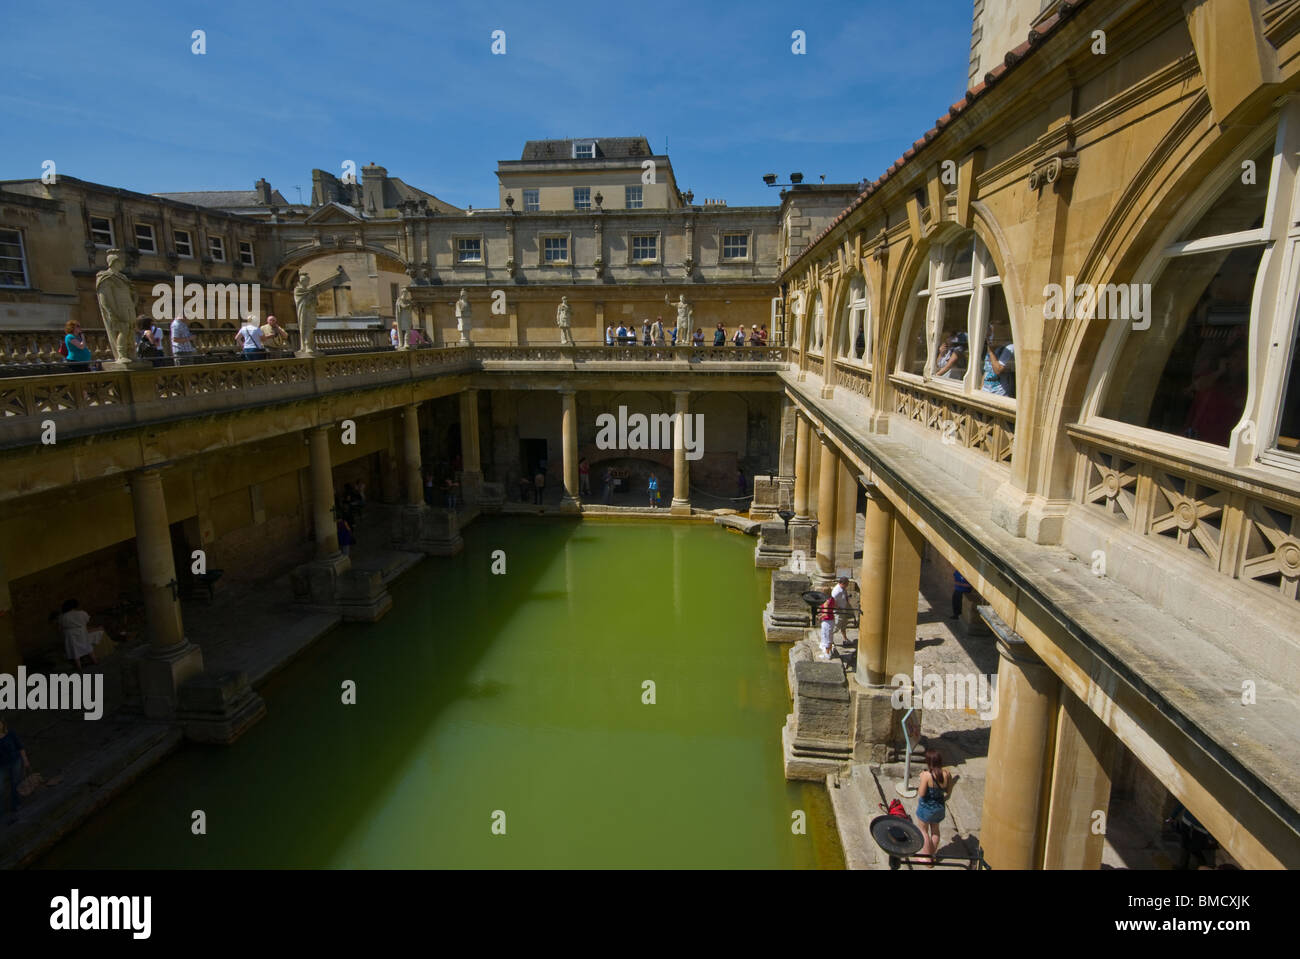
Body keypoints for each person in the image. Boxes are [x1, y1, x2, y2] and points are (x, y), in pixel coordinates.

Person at [915, 748, 957, 864]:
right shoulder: (947, 774)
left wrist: (921, 778)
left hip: (926, 808)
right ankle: (932, 854)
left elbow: (921, 793)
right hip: (939, 807)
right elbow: (948, 792)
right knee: (935, 831)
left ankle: (927, 858)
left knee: (923, 831)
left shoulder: (927, 776)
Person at [58, 598, 104, 670]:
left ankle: (79, 666)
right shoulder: (82, 613)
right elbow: (86, 621)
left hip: (70, 635)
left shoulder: (63, 616)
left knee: (75, 650)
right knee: (87, 646)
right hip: (81, 633)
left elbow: (61, 627)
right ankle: (95, 661)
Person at [0, 720, 31, 815]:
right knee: (0, 787)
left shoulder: (10, 733)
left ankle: (16, 805)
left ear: (2, 723)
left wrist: (25, 760)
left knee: (15, 783)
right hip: (1, 766)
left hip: (15, 761)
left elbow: (20, 747)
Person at [982, 328, 1014, 396]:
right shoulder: (992, 347)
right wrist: (981, 389)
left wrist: (991, 352)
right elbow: (986, 371)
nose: (988, 339)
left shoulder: (1009, 348)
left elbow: (998, 369)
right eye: (987, 336)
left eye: (990, 334)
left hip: (1000, 394)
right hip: (985, 391)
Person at [831, 575, 852, 645]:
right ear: (843, 583)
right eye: (847, 584)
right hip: (839, 611)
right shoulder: (836, 591)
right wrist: (838, 608)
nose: (847, 586)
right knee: (836, 627)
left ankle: (845, 639)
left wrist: (847, 602)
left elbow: (845, 595)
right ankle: (828, 639)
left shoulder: (843, 588)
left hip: (843, 610)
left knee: (843, 626)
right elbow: (832, 601)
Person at [817, 594, 836, 660]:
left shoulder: (826, 602)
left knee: (826, 637)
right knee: (830, 636)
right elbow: (833, 608)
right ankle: (828, 651)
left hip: (827, 621)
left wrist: (819, 617)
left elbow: (826, 613)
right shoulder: (832, 599)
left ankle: (827, 654)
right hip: (832, 620)